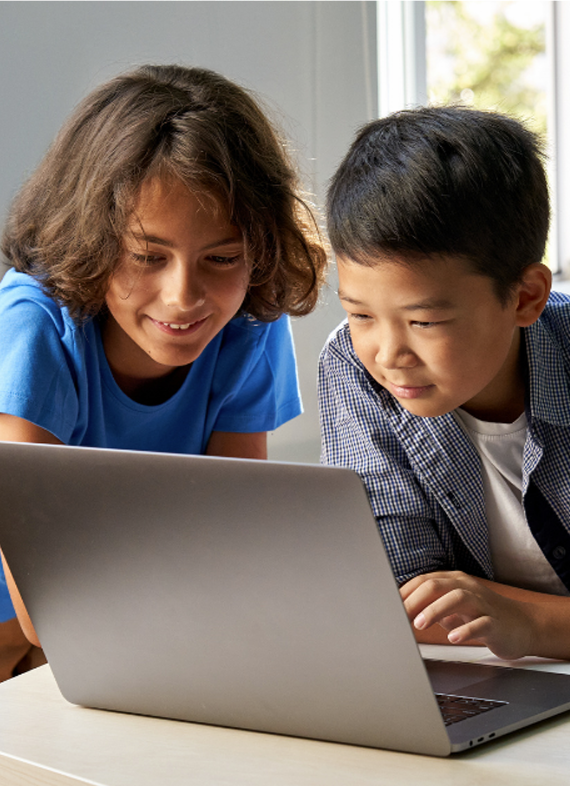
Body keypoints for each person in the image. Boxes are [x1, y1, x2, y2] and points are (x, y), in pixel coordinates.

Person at [0, 64, 327, 679]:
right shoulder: (35, 325)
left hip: (122, 623)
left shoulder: (249, 324)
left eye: (223, 257)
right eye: (148, 257)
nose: (183, 297)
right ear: (92, 238)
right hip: (45, 615)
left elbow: (232, 538)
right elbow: (48, 615)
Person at [319, 105, 570, 661]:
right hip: (496, 681)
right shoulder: (351, 367)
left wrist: (531, 623)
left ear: (526, 297)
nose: (387, 355)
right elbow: (400, 599)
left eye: (424, 322)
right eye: (361, 315)